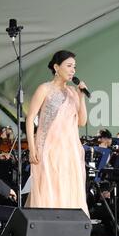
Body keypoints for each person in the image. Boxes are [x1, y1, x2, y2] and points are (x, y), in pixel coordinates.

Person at [25, 50, 89, 215]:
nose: (72, 70)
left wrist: (81, 97)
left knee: (68, 191)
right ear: (56, 67)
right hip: (47, 150)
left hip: (69, 153)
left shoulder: (73, 93)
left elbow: (81, 121)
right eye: (68, 66)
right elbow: (30, 118)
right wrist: (32, 149)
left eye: (74, 67)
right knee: (48, 190)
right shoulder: (44, 89)